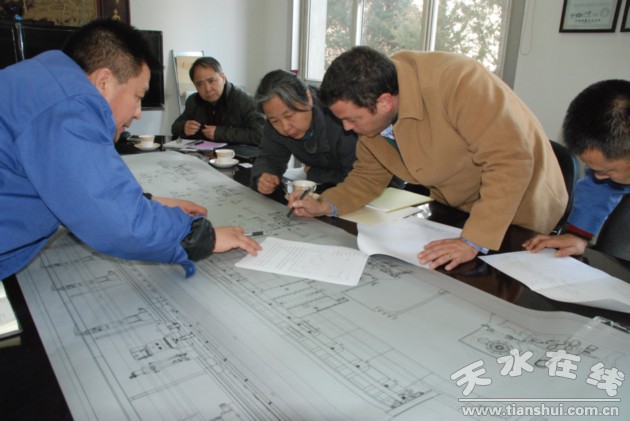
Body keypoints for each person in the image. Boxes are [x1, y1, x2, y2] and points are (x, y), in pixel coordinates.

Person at [0, 19, 260, 281]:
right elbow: (115, 220)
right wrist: (200, 237)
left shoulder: (46, 81)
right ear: (104, 81)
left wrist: (146, 203)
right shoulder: (68, 107)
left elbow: (79, 187)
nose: (138, 113)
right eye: (138, 96)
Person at [287, 46, 568, 271]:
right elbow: (367, 176)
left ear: (384, 102)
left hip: (519, 207)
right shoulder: (373, 106)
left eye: (352, 119)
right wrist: (325, 204)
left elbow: (509, 162)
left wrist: (474, 240)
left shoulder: (458, 81)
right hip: (459, 207)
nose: (347, 128)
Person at [523, 79, 630, 257]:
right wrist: (577, 235)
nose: (598, 177)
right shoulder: (609, 166)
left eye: (606, 172)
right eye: (593, 169)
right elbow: (597, 192)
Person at [251, 69, 357, 195]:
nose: (285, 127)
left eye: (289, 116)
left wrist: (314, 172)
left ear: (308, 98)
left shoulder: (340, 120)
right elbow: (269, 157)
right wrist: (264, 176)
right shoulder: (276, 119)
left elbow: (358, 177)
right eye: (274, 121)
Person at [171, 57, 264, 145]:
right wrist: (183, 127)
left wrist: (220, 133)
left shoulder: (244, 100)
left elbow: (260, 135)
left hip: (237, 154)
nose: (207, 89)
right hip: (202, 154)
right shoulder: (193, 101)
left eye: (211, 81)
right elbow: (175, 127)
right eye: (200, 84)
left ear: (223, 78)